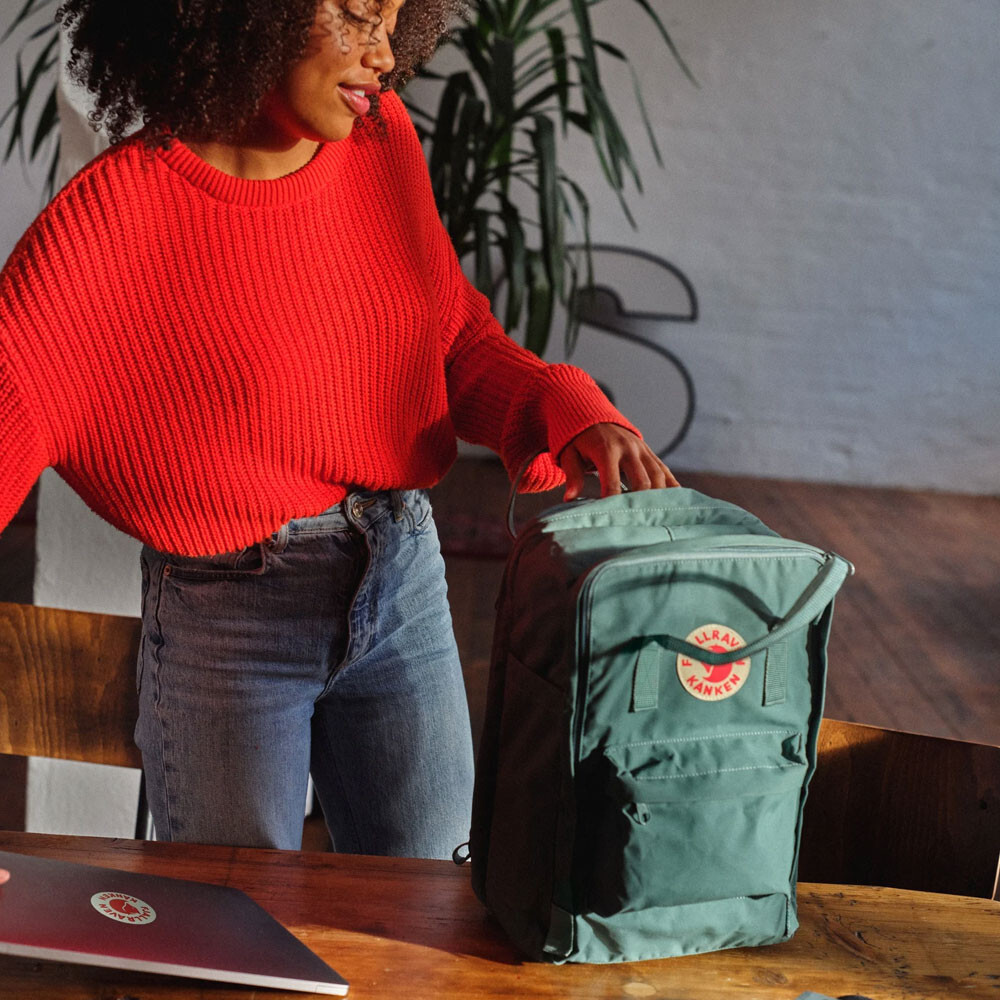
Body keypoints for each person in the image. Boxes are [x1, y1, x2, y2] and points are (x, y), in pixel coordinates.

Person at [0, 0, 678, 866]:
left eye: (394, 21)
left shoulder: (381, 144)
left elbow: (448, 338)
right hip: (230, 619)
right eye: (359, 16)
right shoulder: (109, 224)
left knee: (430, 907)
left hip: (402, 575)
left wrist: (565, 404)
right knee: (238, 922)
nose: (384, 55)